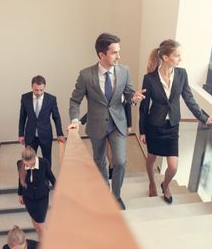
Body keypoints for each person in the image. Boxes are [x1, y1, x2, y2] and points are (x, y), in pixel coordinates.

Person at [68, 33, 145, 210]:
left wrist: (134, 97)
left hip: (117, 124)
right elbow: (75, 100)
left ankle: (116, 196)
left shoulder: (124, 71)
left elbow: (128, 93)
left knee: (119, 161)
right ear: (101, 55)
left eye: (119, 52)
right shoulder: (86, 75)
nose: (119, 56)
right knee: (99, 161)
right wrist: (75, 119)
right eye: (114, 53)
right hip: (96, 125)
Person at [139, 39, 212, 203]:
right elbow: (144, 107)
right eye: (177, 55)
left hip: (172, 126)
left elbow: (189, 98)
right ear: (166, 58)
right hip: (154, 126)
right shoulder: (150, 79)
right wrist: (142, 131)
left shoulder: (182, 74)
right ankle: (152, 183)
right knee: (151, 158)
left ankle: (165, 184)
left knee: (173, 166)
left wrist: (203, 117)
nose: (180, 59)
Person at [19, 75, 65, 167]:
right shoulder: (25, 98)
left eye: (41, 90)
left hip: (46, 135)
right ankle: (32, 178)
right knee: (29, 159)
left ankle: (47, 179)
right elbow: (22, 117)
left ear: (44, 87)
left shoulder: (51, 99)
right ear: (32, 86)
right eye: (36, 90)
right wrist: (21, 134)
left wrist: (60, 133)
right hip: (30, 135)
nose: (39, 92)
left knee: (47, 159)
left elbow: (56, 117)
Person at [80, 102, 132, 179]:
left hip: (119, 122)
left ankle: (115, 169)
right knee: (108, 148)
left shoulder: (121, 90)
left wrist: (129, 125)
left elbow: (128, 103)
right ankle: (111, 167)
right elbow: (95, 108)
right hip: (105, 122)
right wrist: (81, 121)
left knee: (117, 151)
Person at [17, 146, 55, 240]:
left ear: (34, 158)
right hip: (28, 197)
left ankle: (44, 241)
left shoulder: (44, 163)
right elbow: (20, 179)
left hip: (42, 197)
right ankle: (39, 234)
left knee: (40, 222)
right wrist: (20, 194)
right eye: (27, 165)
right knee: (34, 219)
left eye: (31, 164)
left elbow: (51, 178)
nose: (29, 167)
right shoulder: (20, 164)